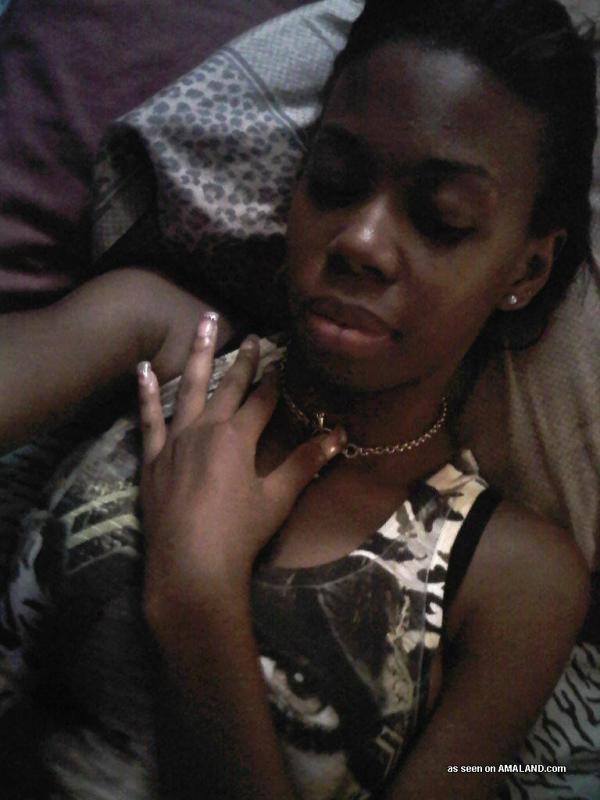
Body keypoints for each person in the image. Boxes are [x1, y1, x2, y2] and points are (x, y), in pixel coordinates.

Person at [0, 0, 596, 798]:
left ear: (525, 270)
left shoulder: (517, 580)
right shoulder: (164, 338)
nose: (361, 241)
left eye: (441, 219)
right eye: (336, 181)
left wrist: (198, 592)